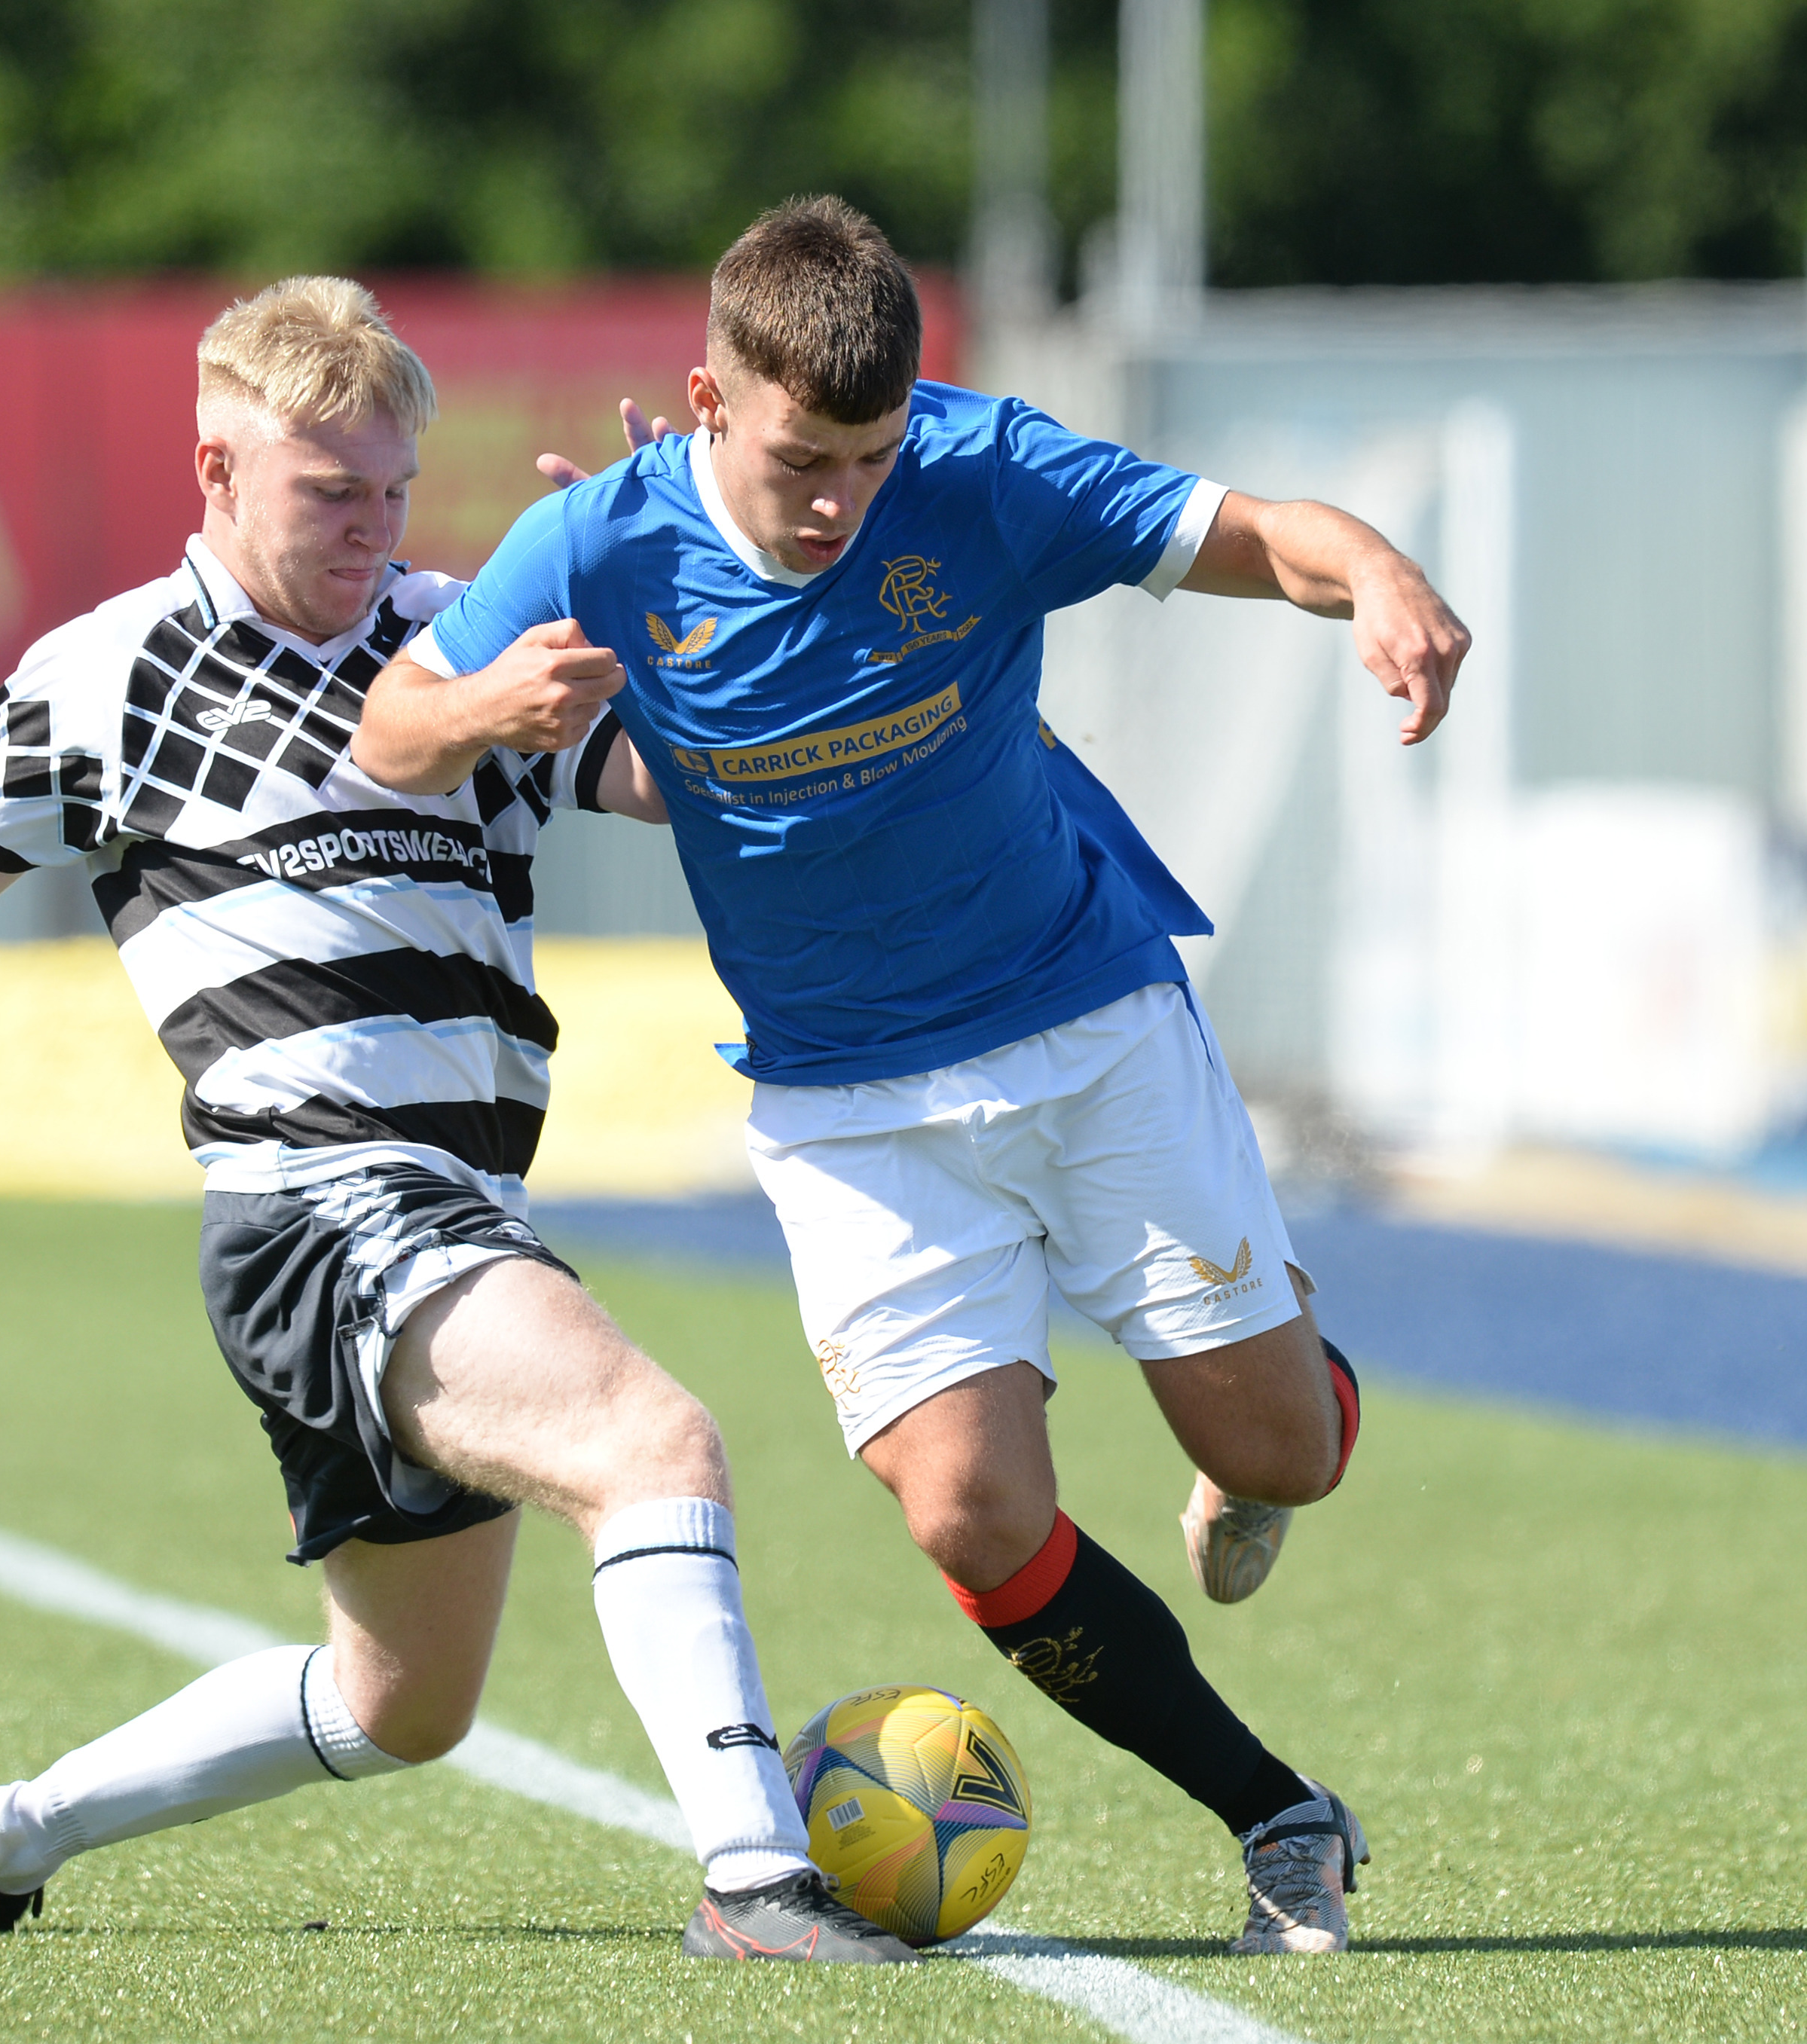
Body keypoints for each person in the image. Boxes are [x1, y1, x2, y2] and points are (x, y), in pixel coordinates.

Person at [0, 277, 915, 1963]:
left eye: (395, 489)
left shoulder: (452, 630)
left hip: (458, 1212)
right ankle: (758, 1884)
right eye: (333, 493)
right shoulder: (100, 677)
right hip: (321, 1209)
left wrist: (691, 577)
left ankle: (14, 1835)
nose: (374, 527)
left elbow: (679, 776)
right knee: (654, 1444)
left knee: (404, 1702)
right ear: (216, 471)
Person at [356, 196, 1474, 1955]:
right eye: (803, 460)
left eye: (872, 458)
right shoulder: (596, 539)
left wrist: (1382, 579)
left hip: (1086, 1026)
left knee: (1280, 1452)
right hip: (846, 1101)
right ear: (706, 402)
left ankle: (1283, 1403)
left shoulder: (984, 468)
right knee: (967, 1508)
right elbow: (390, 727)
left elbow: (1264, 533)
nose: (842, 500)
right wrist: (482, 712)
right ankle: (1278, 1813)